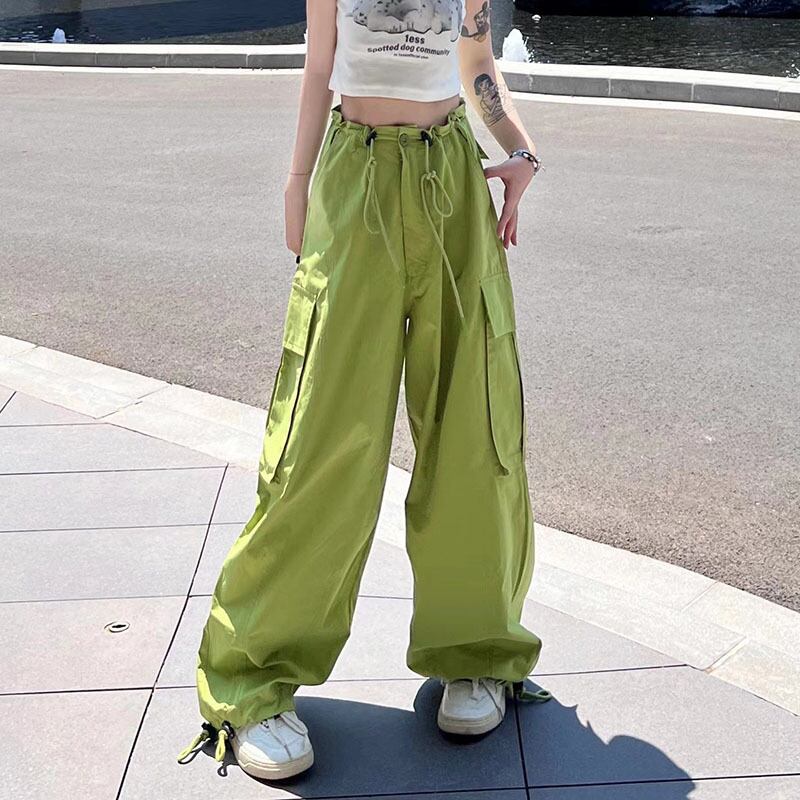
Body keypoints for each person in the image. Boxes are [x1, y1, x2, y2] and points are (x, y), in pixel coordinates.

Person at [178, 0, 550, 781]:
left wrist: (520, 149)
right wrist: (296, 182)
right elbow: (321, 62)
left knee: (471, 426)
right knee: (318, 436)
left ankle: (476, 649)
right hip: (356, 176)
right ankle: (252, 676)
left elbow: (476, 62)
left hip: (451, 180)